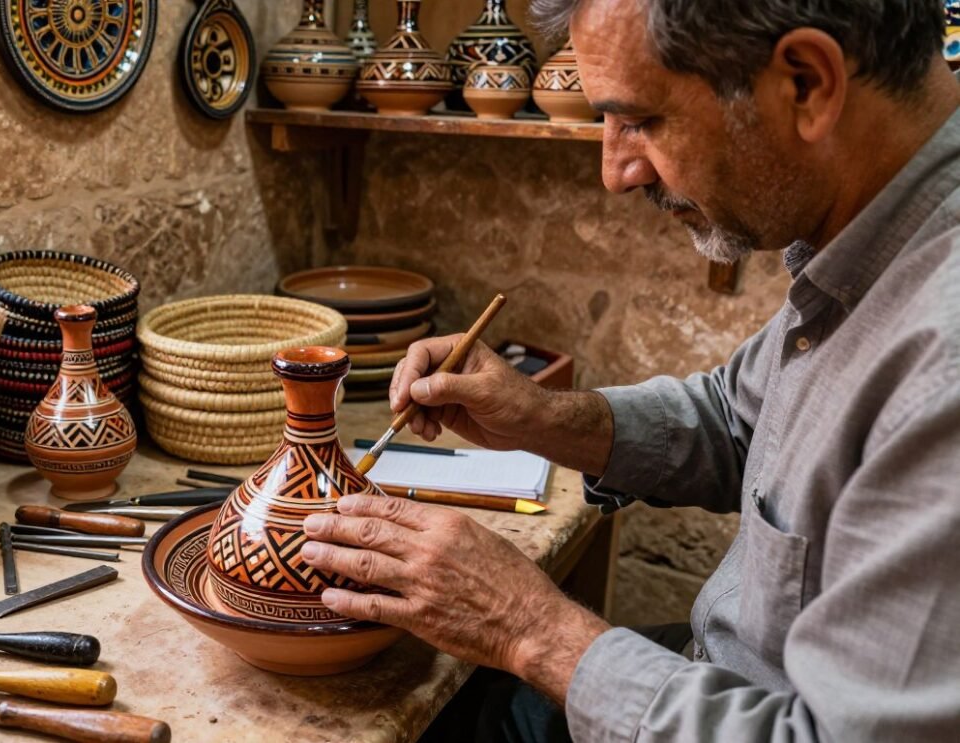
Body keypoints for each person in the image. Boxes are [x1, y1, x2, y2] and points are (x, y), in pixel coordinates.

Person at [299, 0, 960, 740]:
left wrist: (527, 626)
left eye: (638, 119)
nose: (616, 171)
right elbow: (739, 419)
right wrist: (543, 417)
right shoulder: (873, 249)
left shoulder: (944, 363)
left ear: (805, 83)